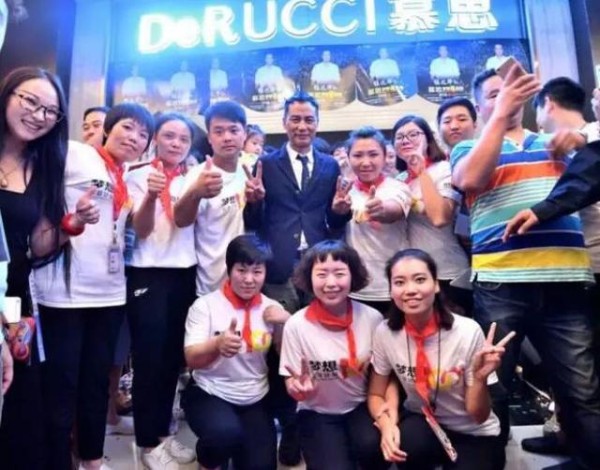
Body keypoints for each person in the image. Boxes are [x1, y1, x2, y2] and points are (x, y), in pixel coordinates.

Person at [451, 64, 600, 470]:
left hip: (566, 279)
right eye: (495, 94)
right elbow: (470, 179)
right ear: (480, 106)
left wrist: (581, 138)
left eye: (514, 90)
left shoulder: (557, 142)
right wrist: (501, 114)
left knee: (582, 391)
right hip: (502, 281)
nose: (508, 96)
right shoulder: (468, 148)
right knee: (495, 385)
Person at [34, 103, 154, 470]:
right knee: (62, 386)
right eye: (128, 127)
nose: (134, 138)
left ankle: (92, 459)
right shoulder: (75, 153)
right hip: (63, 294)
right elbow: (36, 191)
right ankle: (57, 461)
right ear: (107, 128)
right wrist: (65, 221)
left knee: (96, 384)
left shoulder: (125, 174)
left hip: (110, 293)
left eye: (143, 135)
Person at [243, 92, 350, 465]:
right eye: (295, 119)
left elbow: (333, 220)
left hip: (319, 270)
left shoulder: (330, 166)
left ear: (317, 123)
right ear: (284, 122)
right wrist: (254, 201)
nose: (302, 126)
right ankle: (288, 427)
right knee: (281, 352)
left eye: (308, 119)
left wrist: (339, 212)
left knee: (320, 348)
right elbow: (254, 223)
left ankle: (315, 424)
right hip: (278, 269)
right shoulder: (266, 164)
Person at [368, 249, 509, 469]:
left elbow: (479, 416)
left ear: (435, 285)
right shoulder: (385, 332)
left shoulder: (467, 331)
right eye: (399, 282)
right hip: (424, 421)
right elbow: (376, 393)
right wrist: (386, 426)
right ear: (391, 290)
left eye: (420, 280)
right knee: (408, 444)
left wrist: (480, 379)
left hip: (472, 430)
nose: (410, 290)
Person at [0, 66, 69, 470]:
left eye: (50, 111)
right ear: (7, 94)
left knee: (17, 400)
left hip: (13, 299)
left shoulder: (42, 168)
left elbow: (39, 244)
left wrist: (71, 227)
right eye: (30, 101)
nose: (39, 115)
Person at [125, 113, 197, 469]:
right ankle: (145, 442)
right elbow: (140, 229)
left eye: (183, 139)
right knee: (148, 360)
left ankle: (163, 433)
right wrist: (153, 194)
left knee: (171, 359)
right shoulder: (136, 175)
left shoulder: (194, 177)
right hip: (147, 272)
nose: (176, 143)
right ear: (155, 138)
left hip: (184, 274)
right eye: (169, 136)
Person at [280, 240, 389, 470]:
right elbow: (292, 379)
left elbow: (382, 376)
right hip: (316, 411)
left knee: (372, 450)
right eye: (321, 274)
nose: (331, 283)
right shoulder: (296, 325)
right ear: (309, 278)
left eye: (339, 274)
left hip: (360, 406)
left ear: (353, 276)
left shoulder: (372, 319)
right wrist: (297, 389)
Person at [184, 234, 290, 470]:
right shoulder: (205, 306)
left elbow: (285, 355)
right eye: (241, 270)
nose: (249, 279)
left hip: (255, 397)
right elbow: (191, 358)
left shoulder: (272, 309)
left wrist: (287, 323)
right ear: (229, 269)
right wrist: (216, 344)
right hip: (210, 391)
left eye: (257, 271)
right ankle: (207, 461)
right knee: (224, 435)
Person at [394, 115, 471, 315]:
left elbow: (440, 217)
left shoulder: (444, 169)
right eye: (399, 137)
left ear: (428, 140)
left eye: (413, 134)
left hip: (446, 270)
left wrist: (422, 172)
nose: (405, 140)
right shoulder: (399, 179)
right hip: (413, 273)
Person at [334, 127, 411, 314]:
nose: (366, 162)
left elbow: (394, 210)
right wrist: (338, 213)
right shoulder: (343, 192)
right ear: (348, 158)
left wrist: (380, 210)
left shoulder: (398, 188)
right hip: (356, 287)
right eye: (358, 155)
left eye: (373, 154)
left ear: (385, 157)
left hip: (394, 286)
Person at [174, 101, 247, 297]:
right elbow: (181, 220)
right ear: (209, 137)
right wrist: (196, 192)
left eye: (233, 130)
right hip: (212, 285)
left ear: (244, 133)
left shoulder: (251, 170)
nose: (227, 137)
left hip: (249, 282)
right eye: (219, 131)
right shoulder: (198, 175)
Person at [437, 97, 478, 256]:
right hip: (450, 249)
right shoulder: (436, 167)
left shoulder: (491, 156)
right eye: (447, 121)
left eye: (462, 119)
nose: (454, 126)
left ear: (475, 124)